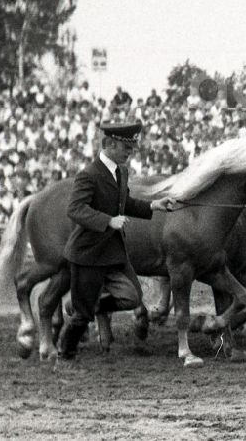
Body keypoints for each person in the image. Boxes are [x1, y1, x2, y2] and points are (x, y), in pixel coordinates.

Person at [55, 121, 177, 365]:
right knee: (81, 316)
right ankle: (64, 356)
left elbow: (125, 203)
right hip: (88, 254)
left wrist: (154, 205)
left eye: (131, 148)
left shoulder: (121, 172)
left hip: (114, 252)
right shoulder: (88, 174)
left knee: (132, 297)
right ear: (109, 145)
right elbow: (75, 209)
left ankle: (85, 305)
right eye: (126, 147)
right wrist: (108, 221)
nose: (130, 152)